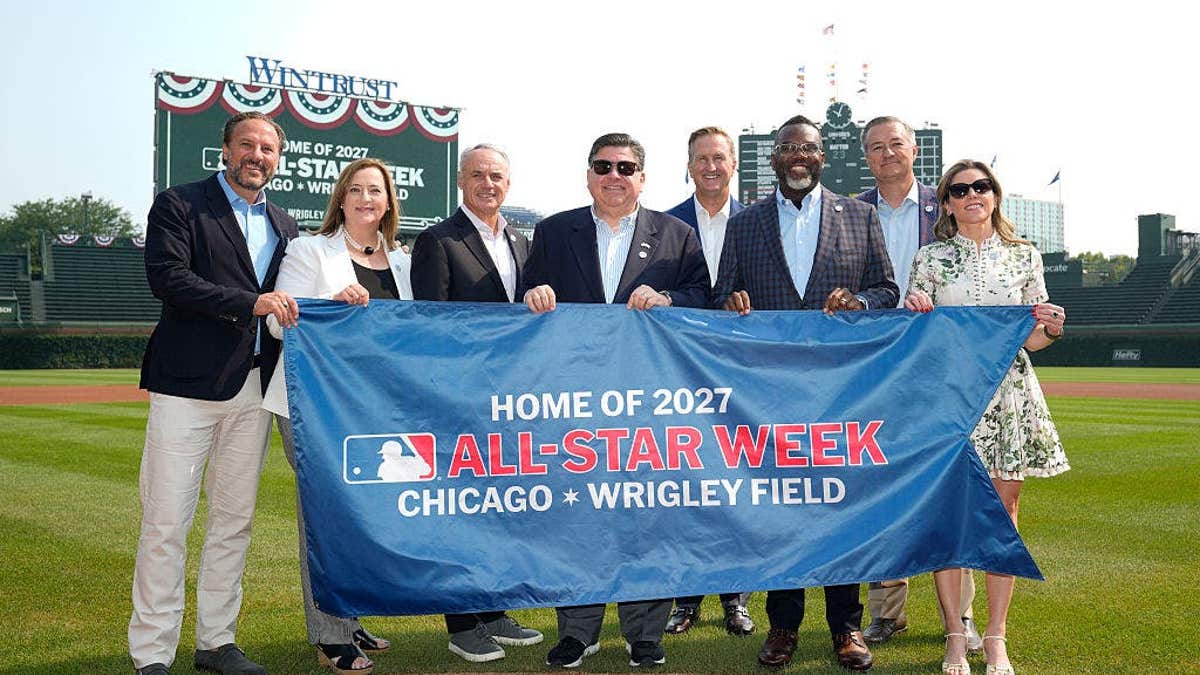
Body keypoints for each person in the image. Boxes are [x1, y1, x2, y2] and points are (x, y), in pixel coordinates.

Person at [712, 114, 897, 672]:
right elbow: (722, 295)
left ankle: (847, 626)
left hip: (840, 392)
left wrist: (861, 304)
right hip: (767, 394)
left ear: (823, 158)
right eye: (788, 147)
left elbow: (887, 289)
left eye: (809, 149)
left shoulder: (860, 217)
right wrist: (731, 304)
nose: (799, 156)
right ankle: (784, 627)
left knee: (841, 508)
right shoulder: (745, 225)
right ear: (773, 158)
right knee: (781, 512)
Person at [521, 132, 709, 669]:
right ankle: (578, 631)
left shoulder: (676, 235)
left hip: (649, 404)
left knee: (648, 515)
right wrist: (534, 296)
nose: (614, 176)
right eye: (603, 166)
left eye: (626, 167)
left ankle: (645, 632)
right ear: (588, 175)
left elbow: (704, 299)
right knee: (577, 514)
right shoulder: (554, 232)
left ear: (642, 178)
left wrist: (669, 298)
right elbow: (528, 292)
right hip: (574, 404)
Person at [131, 111, 299, 675]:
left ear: (278, 158)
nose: (258, 155)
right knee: (165, 522)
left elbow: (294, 297)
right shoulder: (181, 205)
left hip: (253, 386)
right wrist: (247, 303)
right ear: (225, 150)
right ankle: (152, 653)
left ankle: (216, 642)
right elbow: (168, 279)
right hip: (186, 388)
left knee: (234, 522)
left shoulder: (285, 223)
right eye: (247, 144)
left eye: (268, 148)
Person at [904, 159, 1069, 675]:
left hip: (1008, 394)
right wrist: (916, 308)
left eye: (981, 186)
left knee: (1005, 513)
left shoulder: (1025, 257)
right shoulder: (929, 257)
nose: (972, 194)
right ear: (947, 202)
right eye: (960, 189)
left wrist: (1053, 327)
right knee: (948, 515)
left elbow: (1034, 339)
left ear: (994, 195)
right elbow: (919, 333)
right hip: (948, 398)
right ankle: (957, 634)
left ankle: (995, 636)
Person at [261, 158, 411, 675]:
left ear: (389, 201)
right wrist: (332, 302)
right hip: (313, 408)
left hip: (374, 410)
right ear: (341, 198)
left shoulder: (404, 262)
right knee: (324, 518)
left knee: (364, 517)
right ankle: (330, 634)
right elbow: (281, 327)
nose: (367, 198)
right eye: (357, 189)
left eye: (377, 190)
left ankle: (351, 617)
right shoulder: (308, 250)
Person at [409, 144, 544, 662]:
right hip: (459, 397)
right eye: (479, 175)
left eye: (498, 176)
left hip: (510, 400)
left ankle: (493, 609)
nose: (489, 184)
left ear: (508, 184)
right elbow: (430, 324)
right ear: (461, 180)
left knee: (499, 510)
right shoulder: (437, 240)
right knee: (460, 512)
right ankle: (462, 622)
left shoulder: (521, 242)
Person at [855, 116, 980, 650]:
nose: (888, 154)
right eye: (877, 147)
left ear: (915, 150)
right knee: (880, 486)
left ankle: (965, 616)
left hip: (941, 368)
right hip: (876, 365)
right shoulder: (850, 211)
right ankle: (887, 610)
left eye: (896, 145)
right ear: (866, 157)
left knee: (955, 486)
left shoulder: (949, 202)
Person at [662, 126, 753, 638]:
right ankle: (686, 597)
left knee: (735, 480)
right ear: (690, 165)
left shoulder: (760, 220)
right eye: (702, 159)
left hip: (740, 369)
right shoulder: (664, 223)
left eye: (720, 158)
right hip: (680, 370)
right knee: (686, 482)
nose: (711, 167)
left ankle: (736, 597)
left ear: (733, 164)